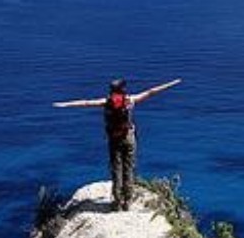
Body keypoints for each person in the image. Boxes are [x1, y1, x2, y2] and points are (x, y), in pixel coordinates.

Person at [53, 78, 182, 210]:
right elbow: (151, 92)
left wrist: (65, 104)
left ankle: (117, 202)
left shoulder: (106, 102)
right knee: (129, 168)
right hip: (128, 137)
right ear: (123, 89)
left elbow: (86, 103)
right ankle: (127, 201)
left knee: (116, 169)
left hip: (114, 139)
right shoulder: (130, 100)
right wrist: (172, 83)